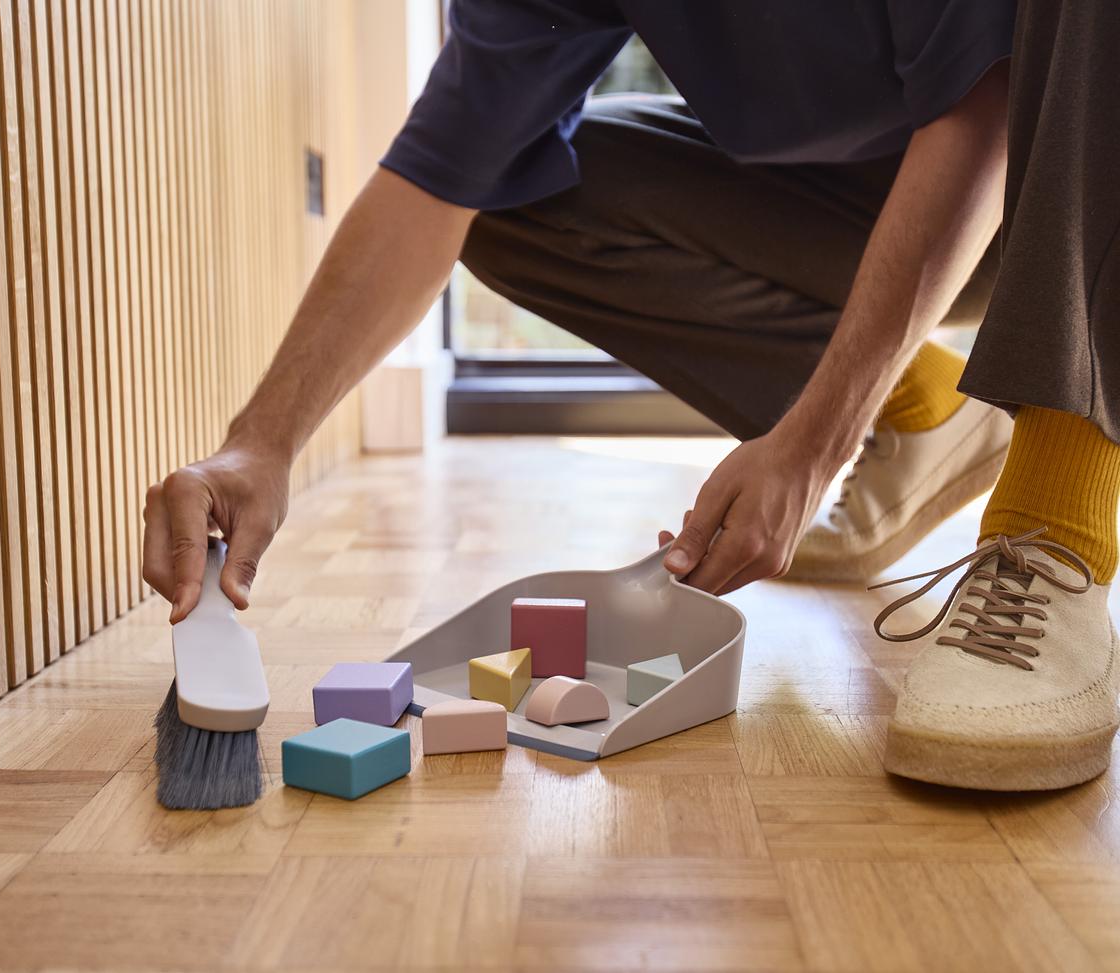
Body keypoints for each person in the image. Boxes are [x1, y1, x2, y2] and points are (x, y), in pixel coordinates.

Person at [142, 0, 1120, 790]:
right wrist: (260, 441)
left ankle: (1057, 511)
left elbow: (984, 106)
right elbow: (440, 173)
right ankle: (932, 409)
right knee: (519, 200)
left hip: (1062, 148)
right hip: (879, 190)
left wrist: (814, 444)